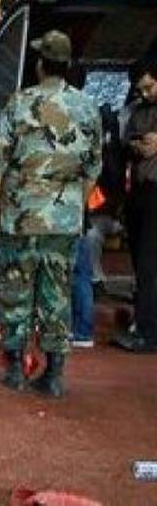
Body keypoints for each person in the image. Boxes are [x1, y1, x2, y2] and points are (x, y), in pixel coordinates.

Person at [0, 31, 103, 397]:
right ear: (67, 65)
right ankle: (54, 375)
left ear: (40, 65)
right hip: (63, 220)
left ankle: (16, 369)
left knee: (15, 289)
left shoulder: (20, 103)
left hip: (20, 216)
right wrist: (73, 206)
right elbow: (92, 168)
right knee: (57, 294)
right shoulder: (87, 107)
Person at [115, 58, 157, 353]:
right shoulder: (138, 110)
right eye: (141, 89)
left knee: (148, 264)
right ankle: (143, 324)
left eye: (150, 87)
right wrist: (136, 145)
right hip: (141, 192)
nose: (145, 93)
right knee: (143, 265)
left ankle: (148, 332)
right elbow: (126, 139)